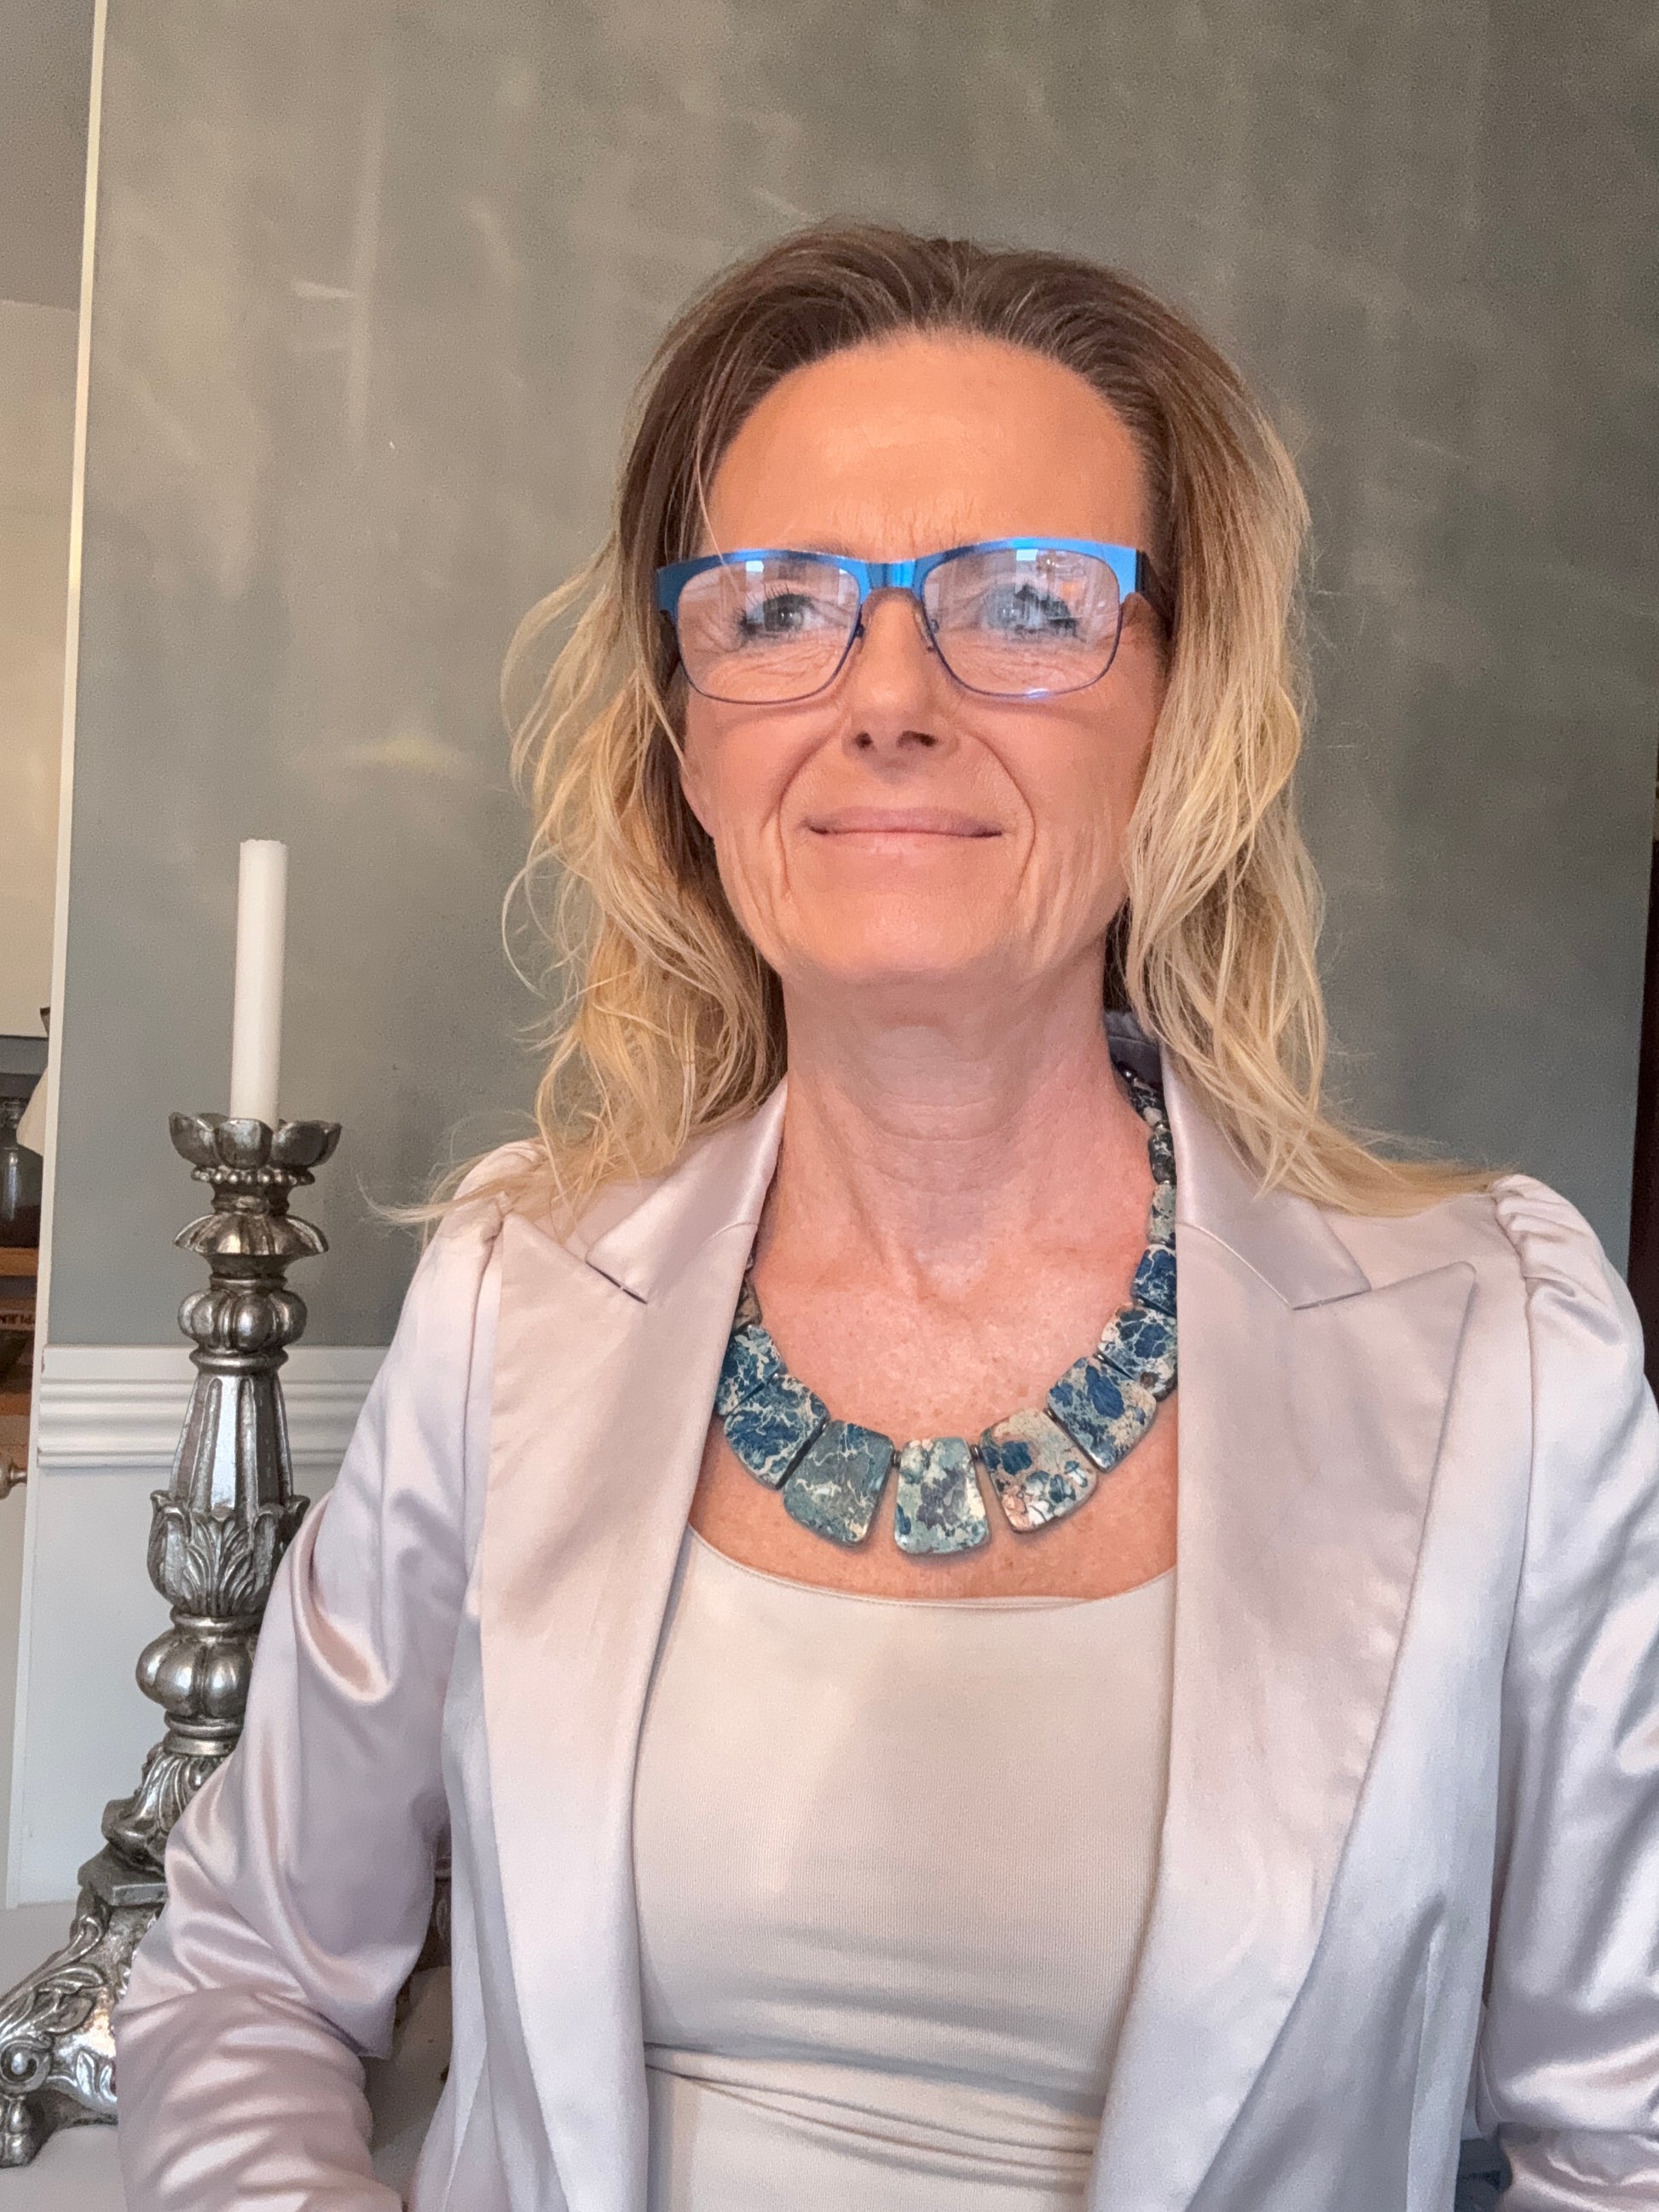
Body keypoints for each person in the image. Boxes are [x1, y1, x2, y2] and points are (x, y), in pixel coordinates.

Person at [113, 222, 1659, 2212]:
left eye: (1027, 601)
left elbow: (1624, 2138)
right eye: (781, 607)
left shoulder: (1495, 1346)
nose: (890, 698)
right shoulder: (521, 1294)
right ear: (689, 732)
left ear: (1180, 703)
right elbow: (242, 1971)